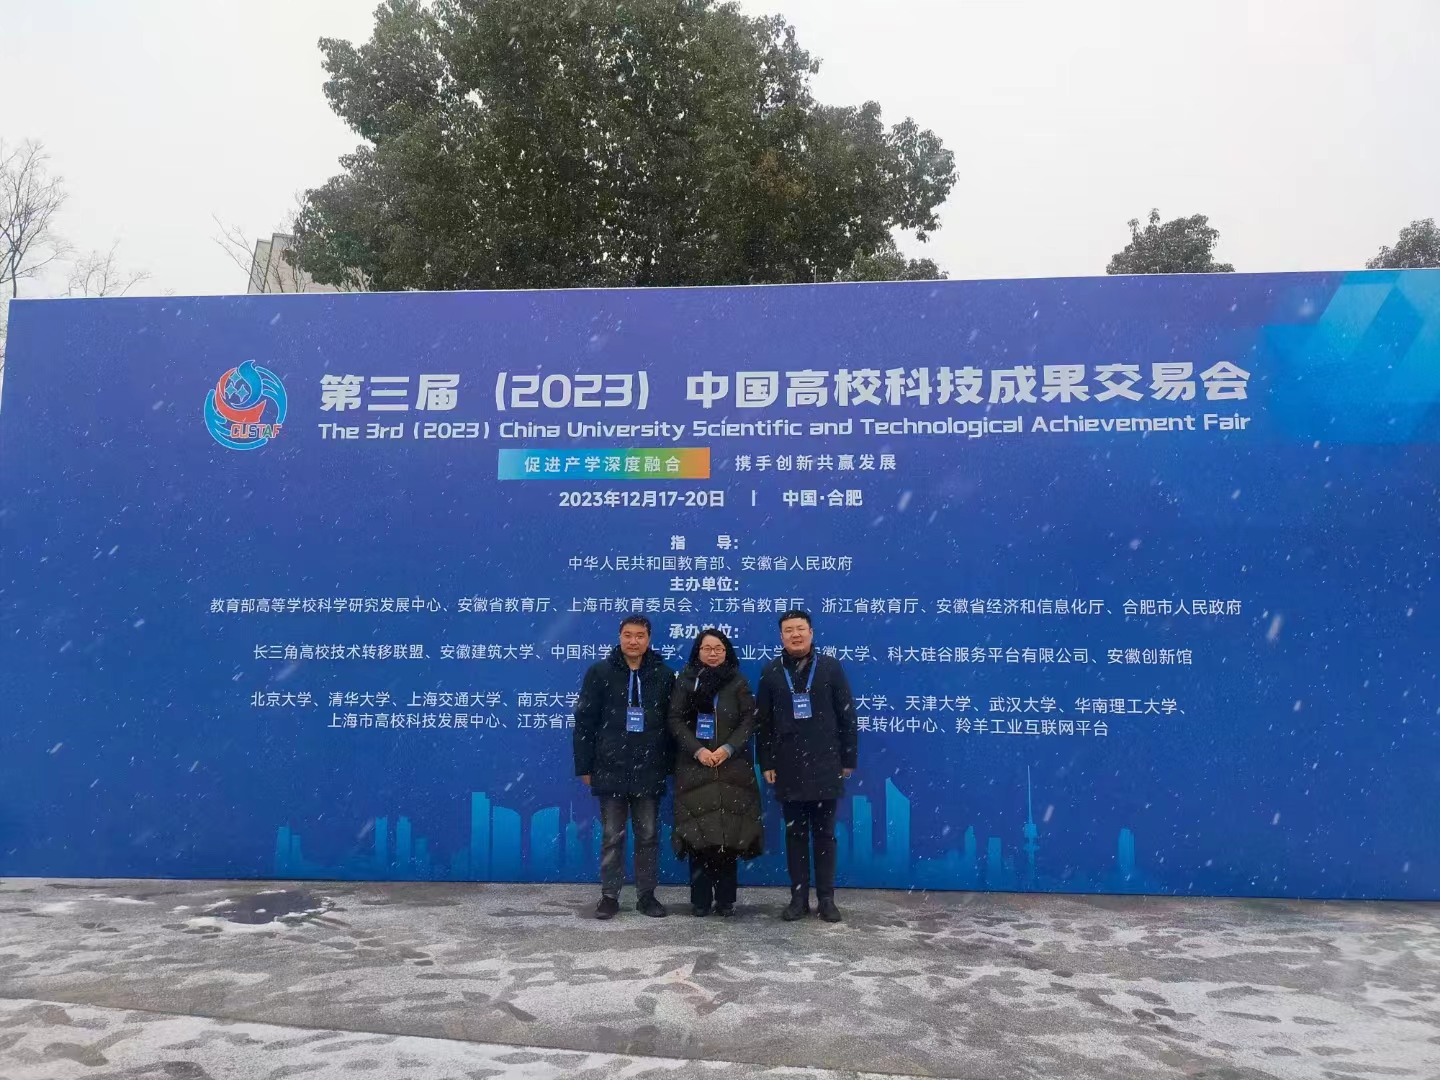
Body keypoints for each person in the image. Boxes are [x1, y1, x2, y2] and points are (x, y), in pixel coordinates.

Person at [756, 609, 858, 923]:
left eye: (800, 629)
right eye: (789, 630)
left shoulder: (829, 667)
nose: (795, 635)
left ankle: (826, 899)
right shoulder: (772, 671)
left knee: (824, 835)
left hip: (826, 762)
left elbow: (846, 715)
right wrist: (766, 761)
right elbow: (764, 723)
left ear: (811, 633)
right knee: (795, 835)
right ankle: (798, 899)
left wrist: (848, 758)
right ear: (781, 636)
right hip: (788, 765)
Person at [573, 615, 677, 920]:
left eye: (640, 635)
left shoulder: (662, 675)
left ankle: (647, 895)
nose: (633, 641)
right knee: (612, 836)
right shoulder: (600, 672)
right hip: (610, 767)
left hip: (649, 768)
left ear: (649, 639)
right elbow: (585, 722)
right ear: (620, 637)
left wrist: (669, 764)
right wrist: (584, 766)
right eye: (628, 635)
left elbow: (672, 723)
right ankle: (609, 896)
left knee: (648, 835)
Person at [666, 629, 764, 917]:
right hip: (695, 768)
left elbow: (748, 720)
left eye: (718, 648)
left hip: (732, 769)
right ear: (698, 652)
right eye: (706, 648)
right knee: (698, 836)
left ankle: (725, 900)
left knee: (728, 837)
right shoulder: (685, 681)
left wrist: (728, 748)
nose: (712, 653)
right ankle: (700, 900)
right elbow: (674, 719)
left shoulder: (738, 681)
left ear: (726, 652)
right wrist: (698, 750)